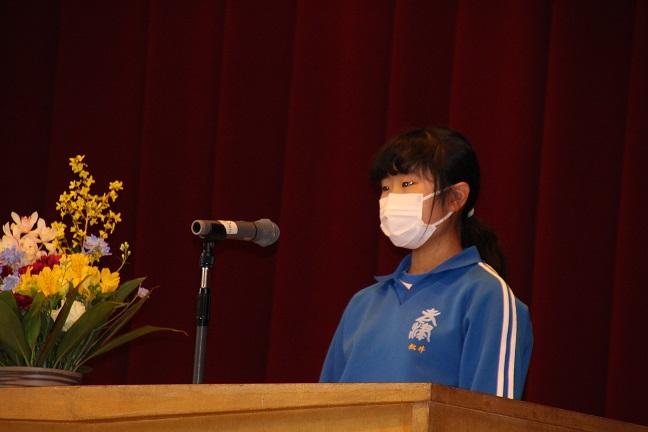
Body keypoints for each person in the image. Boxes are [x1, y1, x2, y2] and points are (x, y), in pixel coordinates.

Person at [320, 127, 533, 399]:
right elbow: (323, 408)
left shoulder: (486, 296)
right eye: (385, 188)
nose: (391, 199)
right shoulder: (362, 304)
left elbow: (491, 414)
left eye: (407, 185)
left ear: (455, 197)